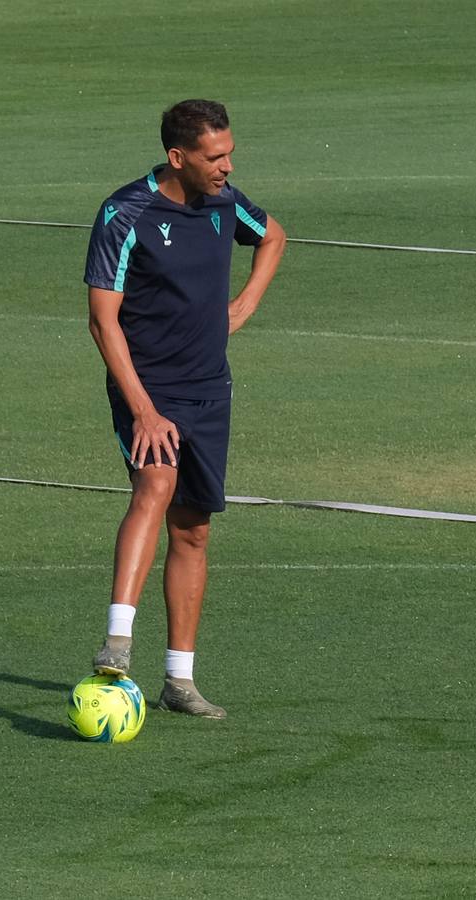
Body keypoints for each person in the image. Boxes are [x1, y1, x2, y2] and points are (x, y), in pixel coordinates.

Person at [82, 99, 286, 718]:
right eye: (214, 156)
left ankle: (179, 681)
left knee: (193, 529)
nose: (226, 166)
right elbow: (102, 320)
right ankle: (117, 643)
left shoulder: (225, 202)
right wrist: (142, 408)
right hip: (148, 389)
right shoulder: (126, 213)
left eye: (229, 154)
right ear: (179, 157)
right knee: (156, 482)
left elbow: (273, 235)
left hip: (209, 390)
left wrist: (245, 305)